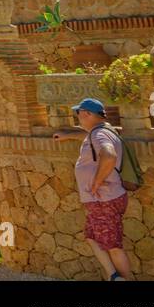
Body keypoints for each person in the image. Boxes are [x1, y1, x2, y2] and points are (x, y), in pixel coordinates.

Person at [53, 98, 134, 281]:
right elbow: (90, 139)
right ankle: (114, 276)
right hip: (102, 200)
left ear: (88, 114)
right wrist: (68, 135)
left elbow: (109, 154)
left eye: (79, 114)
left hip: (104, 199)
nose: (78, 118)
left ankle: (124, 279)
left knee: (113, 246)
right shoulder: (102, 132)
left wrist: (97, 182)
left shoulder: (99, 135)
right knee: (91, 236)